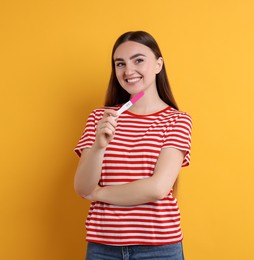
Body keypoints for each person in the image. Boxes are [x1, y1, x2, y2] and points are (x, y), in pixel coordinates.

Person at [74, 31, 192, 260]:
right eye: (120, 64)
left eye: (138, 60)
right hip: (102, 247)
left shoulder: (177, 120)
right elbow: (81, 188)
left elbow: (157, 188)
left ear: (158, 64)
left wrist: (98, 193)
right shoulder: (101, 118)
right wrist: (99, 146)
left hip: (159, 249)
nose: (128, 71)